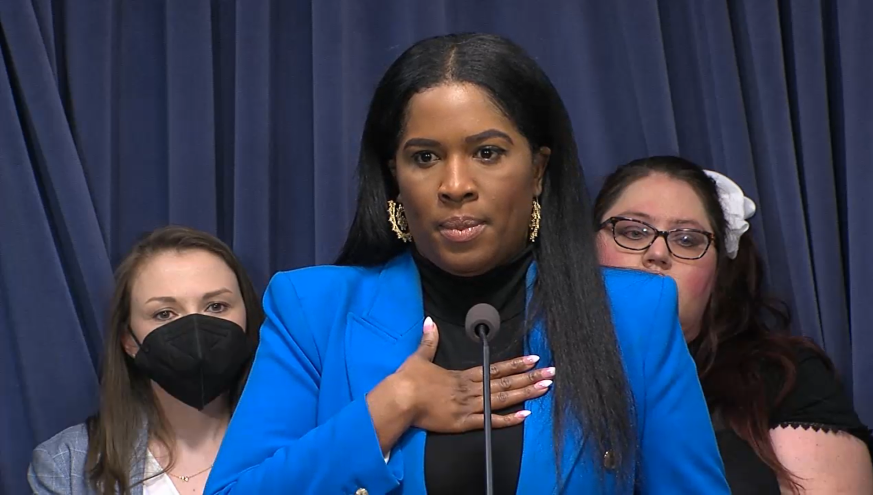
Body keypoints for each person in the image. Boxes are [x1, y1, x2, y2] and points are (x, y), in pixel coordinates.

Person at [205, 33, 730, 495]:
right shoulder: (313, 311)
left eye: (487, 153)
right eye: (425, 157)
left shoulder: (635, 315)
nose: (455, 185)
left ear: (539, 170)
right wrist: (392, 406)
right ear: (395, 178)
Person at [593, 155, 873, 494]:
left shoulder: (781, 378)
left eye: (687, 239)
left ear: (717, 272)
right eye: (632, 232)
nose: (657, 252)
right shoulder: (540, 374)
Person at [28, 226, 263, 495]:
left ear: (248, 318)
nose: (195, 329)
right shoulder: (67, 464)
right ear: (129, 341)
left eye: (216, 306)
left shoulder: (300, 445)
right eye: (164, 313)